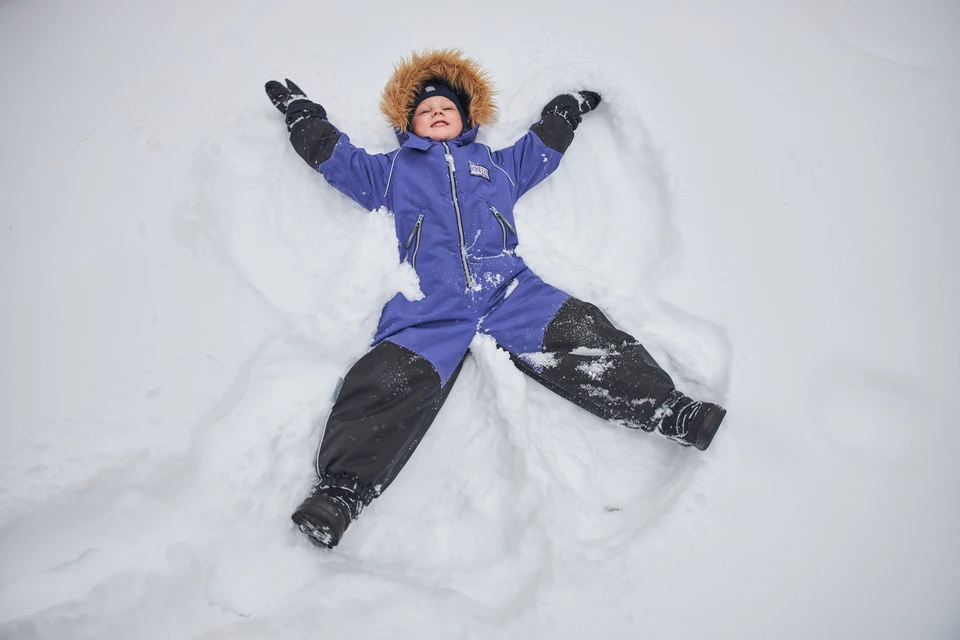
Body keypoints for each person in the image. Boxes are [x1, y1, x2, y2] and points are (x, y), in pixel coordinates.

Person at [264, 49, 726, 549]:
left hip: (509, 290)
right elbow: (337, 159)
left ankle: (670, 409)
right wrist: (303, 116)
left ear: (467, 118)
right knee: (387, 381)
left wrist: (564, 111)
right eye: (424, 111)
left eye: (446, 108)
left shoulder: (493, 166)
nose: (437, 114)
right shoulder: (393, 172)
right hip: (431, 305)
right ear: (408, 124)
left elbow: (539, 151)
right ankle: (338, 494)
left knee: (583, 332)